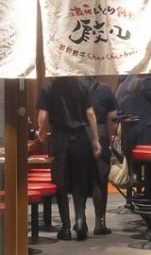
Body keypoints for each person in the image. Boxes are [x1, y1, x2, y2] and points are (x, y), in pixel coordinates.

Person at [36, 75, 102, 241]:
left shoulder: (48, 88)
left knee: (61, 183)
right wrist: (95, 139)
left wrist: (41, 131)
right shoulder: (83, 85)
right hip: (80, 138)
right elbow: (90, 113)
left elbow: (43, 116)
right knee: (79, 180)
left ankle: (65, 228)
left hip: (59, 138)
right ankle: (80, 221)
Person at [80, 75, 118, 235]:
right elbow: (113, 115)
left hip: (79, 133)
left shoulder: (75, 89)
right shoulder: (105, 89)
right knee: (100, 180)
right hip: (100, 133)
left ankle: (80, 221)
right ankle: (99, 223)